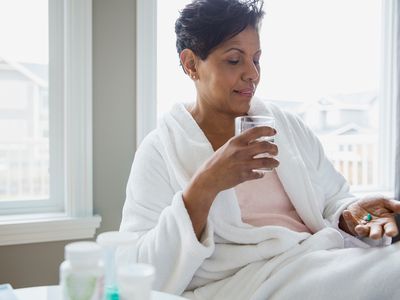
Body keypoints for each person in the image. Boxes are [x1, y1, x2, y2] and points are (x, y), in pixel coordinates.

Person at [120, 0, 400, 299]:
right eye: (234, 60)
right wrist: (205, 185)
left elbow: (333, 200)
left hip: (319, 259)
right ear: (190, 64)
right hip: (250, 281)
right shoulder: (160, 151)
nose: (252, 73)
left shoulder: (287, 127)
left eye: (256, 59)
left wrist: (349, 214)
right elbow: (138, 268)